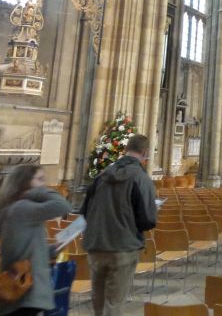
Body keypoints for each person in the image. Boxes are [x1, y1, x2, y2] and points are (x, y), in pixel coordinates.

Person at [81, 133, 157, 316]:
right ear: (145, 153)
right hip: (123, 246)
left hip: (96, 245)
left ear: (125, 149)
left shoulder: (102, 175)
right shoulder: (141, 178)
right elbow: (147, 220)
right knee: (114, 303)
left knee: (97, 299)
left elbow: (84, 211)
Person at [0, 164, 72, 316]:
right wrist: (39, 191)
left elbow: (23, 249)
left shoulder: (13, 208)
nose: (44, 184)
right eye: (40, 179)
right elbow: (62, 205)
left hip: (20, 288)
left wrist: (53, 249)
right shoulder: (22, 208)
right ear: (25, 182)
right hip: (25, 289)